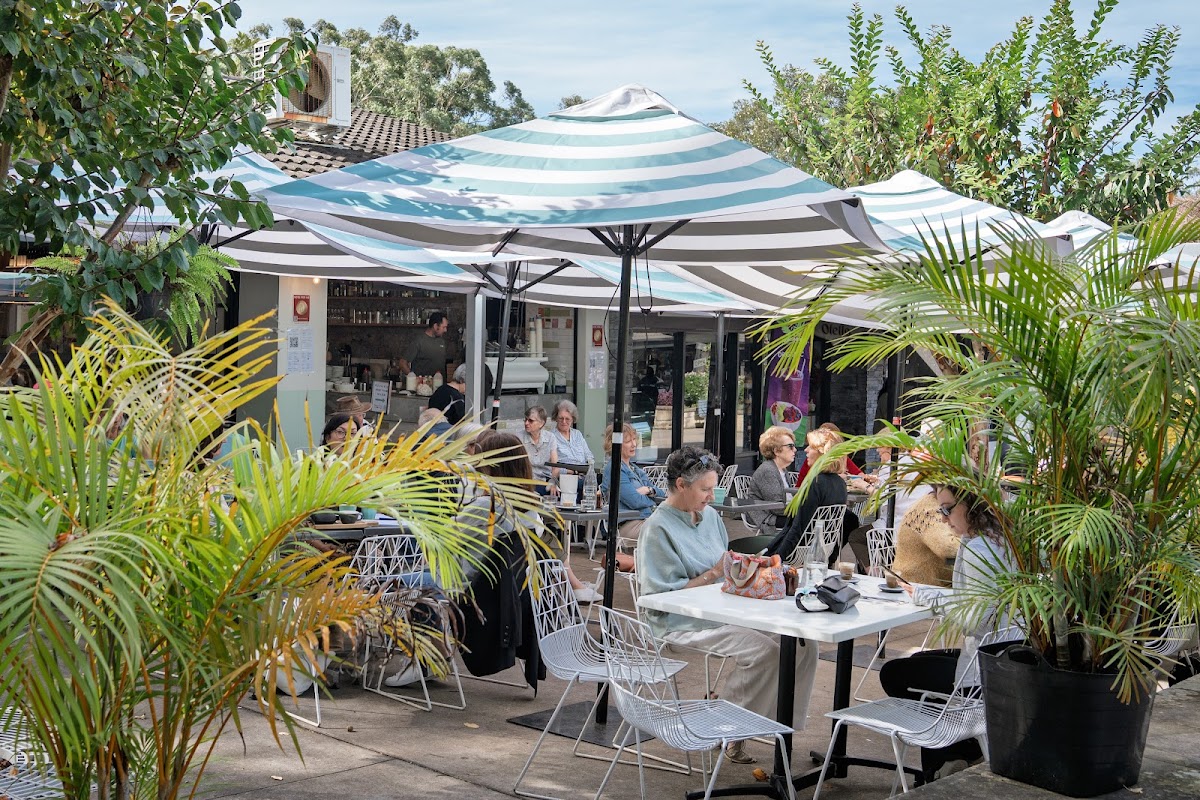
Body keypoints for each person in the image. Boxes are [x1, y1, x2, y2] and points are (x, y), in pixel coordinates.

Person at [637, 446, 818, 765]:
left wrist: (749, 568)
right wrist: (715, 573)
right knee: (766, 651)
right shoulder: (657, 529)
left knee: (804, 645)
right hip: (680, 620)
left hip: (725, 609)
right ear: (681, 485)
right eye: (705, 489)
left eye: (713, 488)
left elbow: (726, 568)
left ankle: (772, 724)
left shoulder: (709, 517)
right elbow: (660, 599)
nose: (711, 496)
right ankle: (727, 728)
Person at [878, 484, 1015, 780]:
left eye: (948, 508)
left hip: (985, 669)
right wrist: (928, 594)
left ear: (973, 506)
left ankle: (942, 763)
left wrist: (930, 597)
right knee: (912, 666)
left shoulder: (980, 548)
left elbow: (976, 620)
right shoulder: (998, 539)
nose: (943, 516)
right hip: (1002, 657)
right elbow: (981, 605)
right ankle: (959, 752)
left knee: (895, 674)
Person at [731, 427, 848, 560]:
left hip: (797, 552)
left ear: (822, 453)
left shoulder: (815, 483)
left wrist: (776, 559)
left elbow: (797, 529)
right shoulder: (840, 484)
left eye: (810, 447)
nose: (805, 450)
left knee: (730, 547)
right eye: (790, 446)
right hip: (817, 550)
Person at [600, 422, 664, 546]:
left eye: (634, 439)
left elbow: (662, 496)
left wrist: (648, 490)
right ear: (615, 444)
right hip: (627, 526)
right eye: (628, 441)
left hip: (646, 520)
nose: (634, 444)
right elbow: (635, 501)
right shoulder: (615, 469)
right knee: (667, 531)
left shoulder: (634, 469)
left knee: (677, 527)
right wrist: (651, 499)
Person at [891, 492, 961, 586]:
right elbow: (948, 548)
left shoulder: (938, 502)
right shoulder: (929, 507)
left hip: (932, 587)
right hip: (913, 588)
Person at [745, 425, 798, 532]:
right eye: (790, 446)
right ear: (776, 451)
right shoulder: (768, 470)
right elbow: (776, 508)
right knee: (807, 521)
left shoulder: (781, 469)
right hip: (766, 517)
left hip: (780, 514)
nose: (795, 450)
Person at [520, 405, 558, 496]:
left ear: (541, 423)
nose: (526, 423)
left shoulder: (550, 437)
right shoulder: (519, 438)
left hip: (545, 480)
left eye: (531, 421)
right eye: (525, 420)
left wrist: (553, 481)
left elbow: (555, 465)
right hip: (527, 481)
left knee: (557, 493)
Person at [548, 399, 594, 471]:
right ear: (556, 418)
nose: (564, 422)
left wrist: (589, 466)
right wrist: (570, 472)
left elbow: (588, 455)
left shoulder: (577, 434)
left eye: (567, 419)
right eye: (561, 418)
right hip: (565, 477)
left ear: (573, 419)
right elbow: (550, 465)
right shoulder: (551, 436)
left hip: (583, 474)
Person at [403, 312, 449, 377]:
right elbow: (403, 363)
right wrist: (414, 379)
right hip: (423, 384)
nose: (445, 330)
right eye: (444, 327)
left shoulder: (441, 341)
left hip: (440, 384)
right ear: (435, 326)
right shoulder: (419, 341)